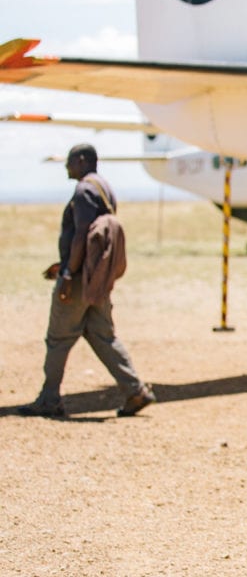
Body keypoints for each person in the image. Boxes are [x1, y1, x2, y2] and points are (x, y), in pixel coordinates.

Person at [18, 144, 156, 418]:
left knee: (58, 338)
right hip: (97, 280)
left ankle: (49, 400)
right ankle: (134, 390)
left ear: (82, 161)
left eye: (70, 161)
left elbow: (82, 234)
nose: (66, 167)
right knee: (103, 336)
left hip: (80, 281)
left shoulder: (83, 191)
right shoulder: (104, 188)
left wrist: (68, 274)